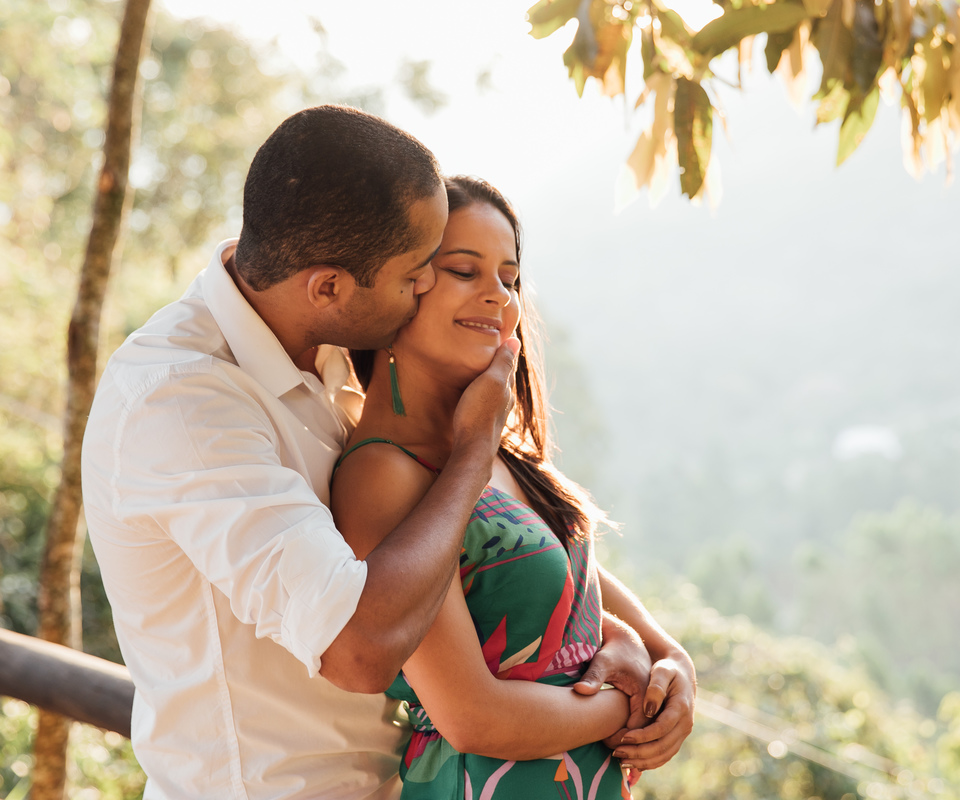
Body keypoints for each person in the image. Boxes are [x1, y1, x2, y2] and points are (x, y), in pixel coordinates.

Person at [80, 105, 688, 800]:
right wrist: (471, 451)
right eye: (416, 276)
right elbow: (359, 647)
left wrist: (654, 651)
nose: (426, 289)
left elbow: (499, 567)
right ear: (330, 287)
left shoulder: (317, 336)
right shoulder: (180, 405)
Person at [330, 176, 694, 797]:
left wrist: (669, 662)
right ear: (399, 288)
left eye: (509, 277)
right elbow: (471, 715)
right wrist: (622, 702)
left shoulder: (497, 455)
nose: (498, 295)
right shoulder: (384, 475)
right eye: (465, 270)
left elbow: (563, 582)